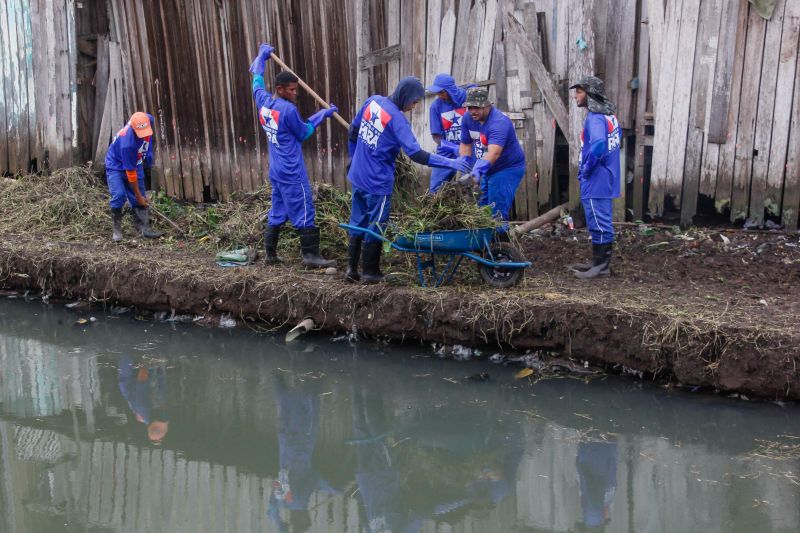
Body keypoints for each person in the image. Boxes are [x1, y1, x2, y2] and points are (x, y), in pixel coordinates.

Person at [345, 76, 472, 283]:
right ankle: (369, 272)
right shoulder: (397, 119)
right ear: (405, 97)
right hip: (377, 181)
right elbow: (416, 154)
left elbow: (353, 129)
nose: (414, 106)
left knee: (357, 221)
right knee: (376, 224)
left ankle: (350, 270)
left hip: (358, 175)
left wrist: (352, 156)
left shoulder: (373, 101)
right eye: (414, 102)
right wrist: (451, 163)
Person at [249, 43, 339, 268]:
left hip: (276, 170)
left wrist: (261, 57)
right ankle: (310, 256)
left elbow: (257, 79)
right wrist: (322, 114)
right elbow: (304, 132)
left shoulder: (263, 102)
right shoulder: (288, 110)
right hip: (291, 170)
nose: (295, 93)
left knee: (278, 210)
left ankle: (270, 255)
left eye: (296, 89)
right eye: (291, 89)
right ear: (279, 88)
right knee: (305, 209)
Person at [567, 76, 621, 279]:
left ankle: (602, 267)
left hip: (597, 177)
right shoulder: (609, 116)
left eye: (579, 92)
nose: (575, 96)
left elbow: (598, 145)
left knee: (599, 221)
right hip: (607, 176)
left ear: (590, 95)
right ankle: (598, 262)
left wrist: (587, 168)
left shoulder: (596, 118)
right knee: (600, 220)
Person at [458, 87, 526, 234]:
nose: (472, 111)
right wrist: (464, 167)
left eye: (477, 107)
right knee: (482, 209)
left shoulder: (499, 123)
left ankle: (501, 251)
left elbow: (494, 153)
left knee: (496, 212)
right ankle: (486, 247)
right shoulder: (468, 118)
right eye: (470, 107)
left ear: (487, 105)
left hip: (507, 169)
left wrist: (476, 173)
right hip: (487, 168)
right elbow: (465, 144)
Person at [105, 112, 163, 242]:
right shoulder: (128, 144)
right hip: (116, 165)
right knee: (120, 195)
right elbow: (131, 174)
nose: (144, 134)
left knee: (140, 193)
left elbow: (148, 137)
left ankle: (144, 228)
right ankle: (117, 230)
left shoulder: (148, 120)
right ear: (133, 128)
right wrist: (138, 196)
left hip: (136, 161)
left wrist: (148, 154)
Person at [426, 73, 473, 192]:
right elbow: (436, 136)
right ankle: (434, 208)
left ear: (450, 90)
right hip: (446, 150)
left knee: (469, 186)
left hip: (469, 149)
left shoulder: (466, 97)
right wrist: (453, 148)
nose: (439, 95)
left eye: (441, 92)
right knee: (435, 188)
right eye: (437, 92)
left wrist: (463, 150)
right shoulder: (435, 107)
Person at [117, 354, 169, 445]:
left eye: (161, 420)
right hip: (146, 386)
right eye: (164, 422)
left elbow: (142, 380)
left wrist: (145, 363)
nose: (165, 419)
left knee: (126, 356)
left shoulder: (143, 408)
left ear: (154, 421)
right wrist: (160, 368)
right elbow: (161, 386)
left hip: (129, 382)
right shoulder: (163, 416)